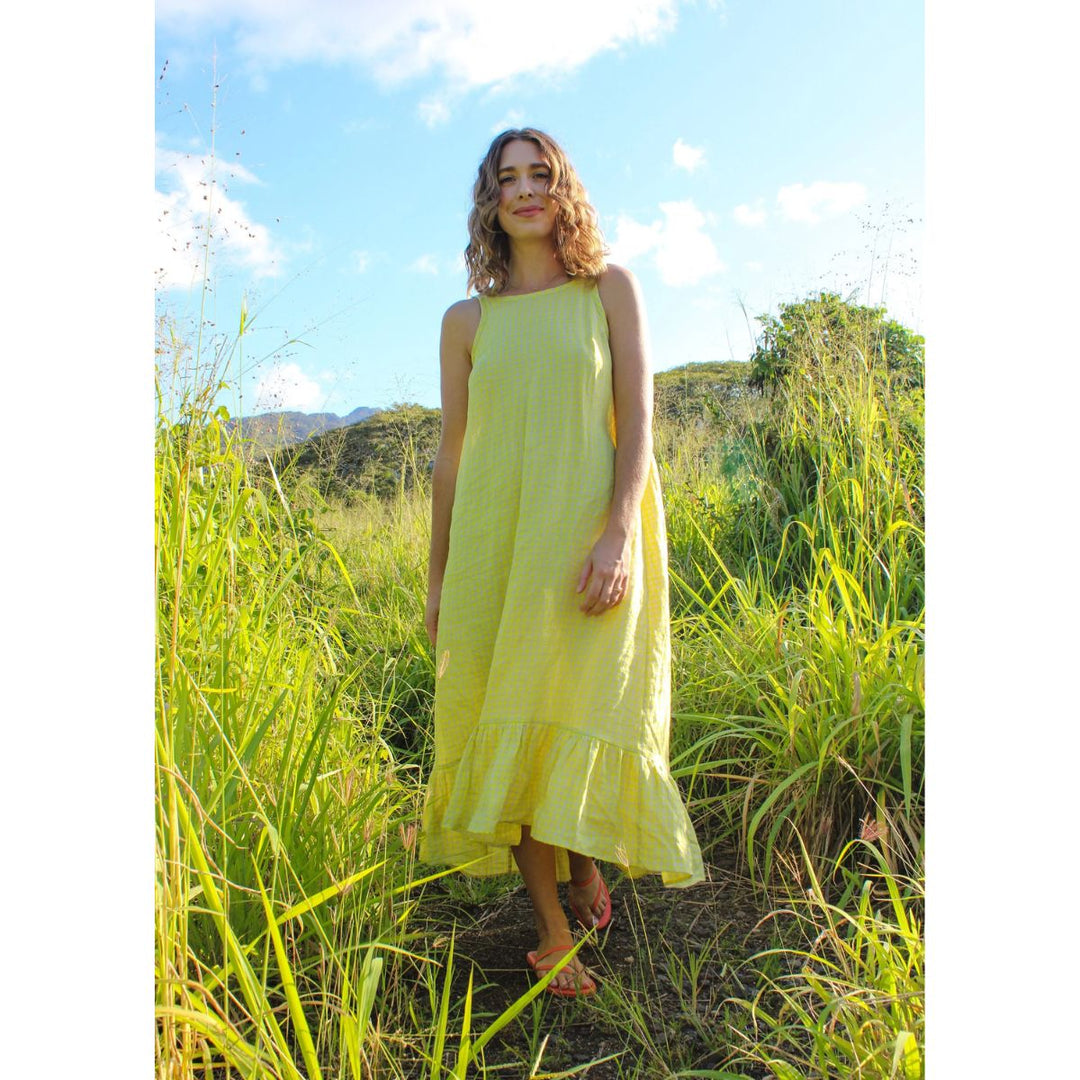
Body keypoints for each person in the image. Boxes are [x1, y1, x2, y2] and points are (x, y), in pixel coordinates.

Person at [419, 127, 704, 997]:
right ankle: (552, 931)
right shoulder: (466, 321)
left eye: (540, 174)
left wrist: (619, 530)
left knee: (576, 705)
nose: (525, 190)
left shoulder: (609, 289)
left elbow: (639, 420)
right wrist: (435, 578)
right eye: (508, 179)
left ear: (564, 187)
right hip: (495, 558)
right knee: (515, 719)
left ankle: (586, 870)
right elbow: (452, 459)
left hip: (586, 546)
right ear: (490, 200)